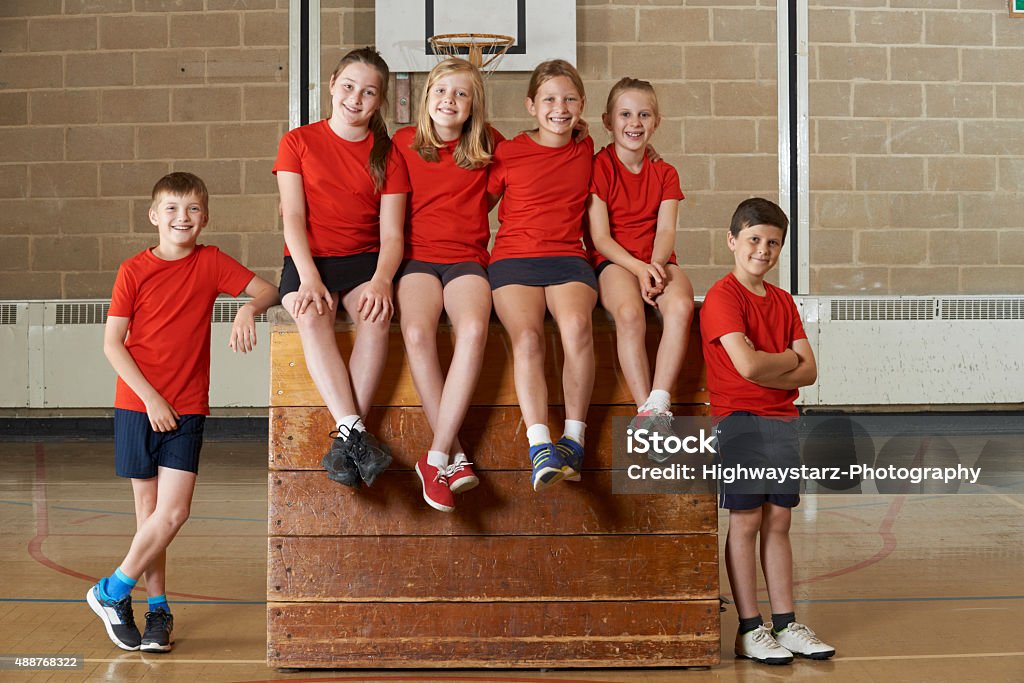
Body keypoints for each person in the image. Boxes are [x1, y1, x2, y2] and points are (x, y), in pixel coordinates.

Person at [87, 172, 279, 652]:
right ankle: (157, 612)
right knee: (149, 516)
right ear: (154, 215)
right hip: (138, 404)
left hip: (188, 405)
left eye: (192, 209)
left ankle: (111, 590)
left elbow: (268, 289)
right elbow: (113, 345)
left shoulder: (212, 263)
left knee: (173, 513)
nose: (182, 218)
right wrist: (151, 398)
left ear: (205, 217)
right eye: (172, 209)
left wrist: (245, 310)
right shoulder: (133, 270)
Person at [700, 198, 835, 665]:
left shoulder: (780, 301)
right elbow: (747, 365)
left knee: (779, 521)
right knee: (747, 521)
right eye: (754, 239)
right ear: (733, 240)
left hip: (781, 421)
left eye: (773, 242)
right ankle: (750, 628)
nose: (764, 249)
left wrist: (769, 364)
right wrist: (782, 362)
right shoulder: (722, 298)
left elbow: (810, 371)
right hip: (738, 422)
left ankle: (785, 622)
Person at [274, 47, 409, 489]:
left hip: (364, 261)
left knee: (375, 318)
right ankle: (356, 434)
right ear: (332, 84)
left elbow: (392, 236)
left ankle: (347, 439)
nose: (356, 98)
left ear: (379, 102)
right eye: (349, 87)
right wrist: (309, 276)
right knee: (313, 317)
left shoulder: (387, 155)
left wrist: (382, 281)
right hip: (307, 258)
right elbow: (292, 216)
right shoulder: (298, 142)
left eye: (368, 92)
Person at [392, 58, 500, 512]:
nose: (449, 101)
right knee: (417, 333)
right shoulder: (402, 143)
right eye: (441, 91)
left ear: (474, 104)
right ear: (426, 97)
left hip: (466, 259)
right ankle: (453, 456)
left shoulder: (489, 144)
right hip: (416, 259)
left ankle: (434, 456)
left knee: (473, 330)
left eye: (461, 94)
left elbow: (539, 156)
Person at [486, 59, 596, 491]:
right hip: (513, 260)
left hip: (569, 258)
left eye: (569, 98)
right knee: (528, 338)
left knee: (576, 326)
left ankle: (573, 439)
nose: (560, 107)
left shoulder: (587, 149)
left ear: (582, 105)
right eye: (549, 99)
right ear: (531, 105)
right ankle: (539, 445)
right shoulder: (508, 152)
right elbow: (474, 203)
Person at [586, 77, 694, 427]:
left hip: (656, 259)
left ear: (656, 122)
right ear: (608, 121)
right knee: (630, 314)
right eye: (626, 114)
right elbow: (600, 237)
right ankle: (643, 409)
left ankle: (659, 402)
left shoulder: (665, 172)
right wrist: (638, 268)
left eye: (644, 115)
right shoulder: (597, 167)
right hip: (615, 261)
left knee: (680, 305)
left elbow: (666, 230)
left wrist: (656, 265)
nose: (635, 123)